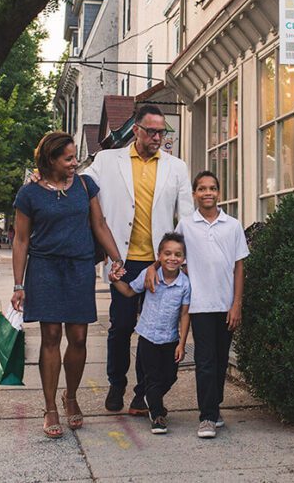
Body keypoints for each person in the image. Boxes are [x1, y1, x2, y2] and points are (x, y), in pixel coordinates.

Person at [80, 104, 194, 415]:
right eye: (153, 131)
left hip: (160, 264)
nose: (159, 137)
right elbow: (77, 184)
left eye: (162, 131)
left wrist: (180, 263)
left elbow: (184, 218)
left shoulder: (176, 167)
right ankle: (117, 383)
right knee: (122, 326)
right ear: (137, 130)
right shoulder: (106, 161)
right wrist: (44, 176)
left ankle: (143, 392)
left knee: (154, 331)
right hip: (123, 262)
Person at [11, 131, 125, 439]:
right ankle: (50, 406)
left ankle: (70, 395)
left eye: (75, 157)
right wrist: (18, 284)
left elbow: (99, 224)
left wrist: (116, 259)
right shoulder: (29, 194)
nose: (75, 163)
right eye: (69, 158)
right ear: (50, 160)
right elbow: (21, 241)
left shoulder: (85, 186)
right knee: (50, 335)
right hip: (45, 269)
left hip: (78, 268)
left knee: (78, 336)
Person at [150, 170, 248, 438]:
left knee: (220, 360)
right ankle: (206, 417)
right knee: (205, 360)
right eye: (202, 188)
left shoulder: (233, 225)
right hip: (199, 303)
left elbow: (239, 267)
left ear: (219, 192)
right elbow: (171, 252)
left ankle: (214, 409)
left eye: (212, 188)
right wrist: (154, 267)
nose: (207, 193)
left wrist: (236, 303)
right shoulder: (186, 225)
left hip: (225, 303)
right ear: (194, 194)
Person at [108, 233, 190, 435]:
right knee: (153, 378)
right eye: (167, 253)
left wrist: (182, 343)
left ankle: (147, 398)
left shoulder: (185, 284)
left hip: (170, 339)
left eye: (177, 254)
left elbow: (185, 314)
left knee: (169, 377)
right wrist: (114, 280)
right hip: (148, 337)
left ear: (183, 258)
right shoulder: (149, 275)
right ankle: (157, 415)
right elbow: (128, 291)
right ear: (159, 256)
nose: (172, 258)